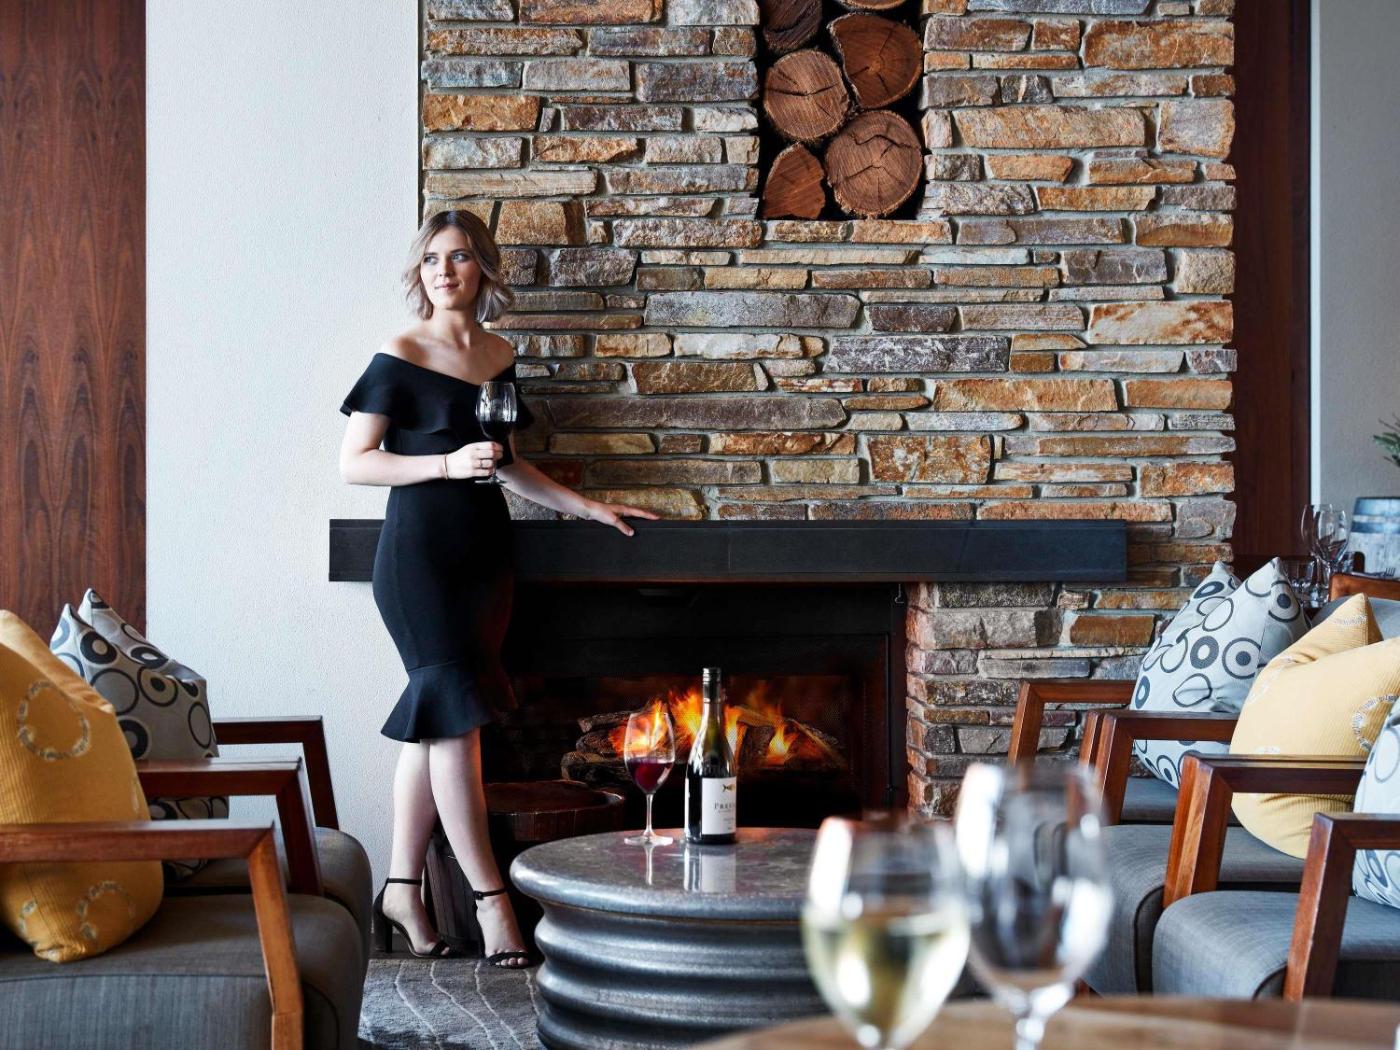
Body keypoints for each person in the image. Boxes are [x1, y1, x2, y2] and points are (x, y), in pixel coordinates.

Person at [339, 209, 657, 966]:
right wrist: (446, 465)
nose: (443, 271)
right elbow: (356, 462)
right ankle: (491, 901)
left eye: (458, 257)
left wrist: (588, 506)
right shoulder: (399, 354)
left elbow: (507, 463)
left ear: (482, 267)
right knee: (456, 719)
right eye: (431, 260)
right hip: (418, 555)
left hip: (484, 555)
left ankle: (401, 888)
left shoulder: (498, 355)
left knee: (437, 717)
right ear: (419, 273)